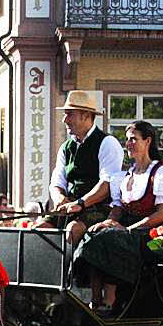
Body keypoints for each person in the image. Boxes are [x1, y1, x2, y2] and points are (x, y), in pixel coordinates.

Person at [73, 121, 163, 314]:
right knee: (93, 233)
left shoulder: (161, 173)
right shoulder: (125, 176)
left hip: (150, 234)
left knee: (109, 239)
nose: (128, 143)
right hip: (126, 230)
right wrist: (107, 221)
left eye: (133, 139)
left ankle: (109, 300)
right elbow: (118, 208)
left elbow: (162, 214)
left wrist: (128, 229)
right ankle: (94, 301)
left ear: (147, 141)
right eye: (127, 140)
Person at [49, 90, 125, 245]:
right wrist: (59, 198)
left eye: (69, 114)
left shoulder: (107, 143)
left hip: (99, 209)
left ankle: (70, 269)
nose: (65, 120)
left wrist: (81, 203)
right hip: (71, 206)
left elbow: (107, 184)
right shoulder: (66, 147)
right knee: (38, 228)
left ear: (85, 115)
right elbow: (57, 181)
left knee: (73, 229)